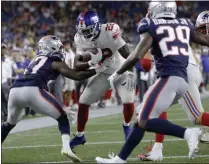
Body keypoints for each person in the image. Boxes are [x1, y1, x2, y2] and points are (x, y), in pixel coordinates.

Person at [95, 2, 209, 163]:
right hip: (182, 73)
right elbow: (204, 40)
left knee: (190, 117)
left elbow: (140, 59)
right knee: (146, 115)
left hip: (176, 75)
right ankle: (133, 156)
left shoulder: (151, 25)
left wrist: (118, 72)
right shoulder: (183, 24)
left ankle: (188, 134)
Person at [1, 35, 110, 162]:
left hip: (15, 90)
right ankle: (66, 147)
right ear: (51, 47)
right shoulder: (54, 61)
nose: (60, 50)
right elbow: (76, 75)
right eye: (58, 47)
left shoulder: (35, 59)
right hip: (33, 89)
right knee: (63, 117)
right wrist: (99, 69)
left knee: (9, 123)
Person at [137, 10, 209, 161]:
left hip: (182, 73)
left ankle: (158, 149)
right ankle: (157, 150)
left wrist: (142, 49)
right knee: (154, 108)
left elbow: (145, 65)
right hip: (187, 69)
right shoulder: (175, 24)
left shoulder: (151, 27)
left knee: (197, 117)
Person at [70, 11, 136, 149]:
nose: (84, 34)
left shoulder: (109, 31)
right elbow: (77, 66)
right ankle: (80, 135)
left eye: (87, 30)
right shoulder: (79, 38)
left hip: (120, 71)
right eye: (82, 30)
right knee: (83, 101)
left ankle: (127, 126)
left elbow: (127, 55)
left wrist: (130, 73)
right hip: (103, 73)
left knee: (128, 100)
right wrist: (95, 66)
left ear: (95, 26)